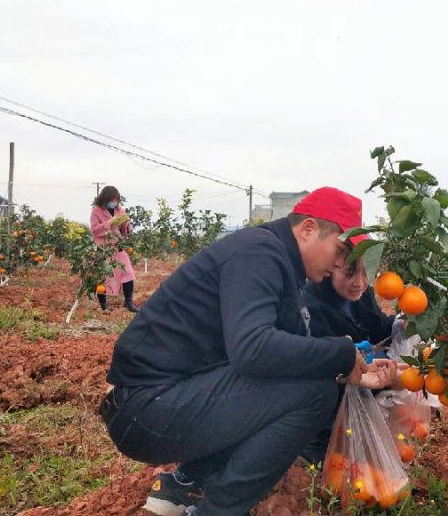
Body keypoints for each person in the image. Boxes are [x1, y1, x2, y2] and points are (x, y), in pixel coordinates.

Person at [99, 187, 395, 516]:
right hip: (143, 409)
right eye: (340, 250)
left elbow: (286, 359)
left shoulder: (282, 265)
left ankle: (186, 483)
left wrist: (354, 373)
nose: (343, 263)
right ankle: (215, 508)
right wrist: (340, 351)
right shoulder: (260, 253)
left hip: (166, 400)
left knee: (313, 384)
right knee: (315, 394)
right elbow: (252, 349)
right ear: (308, 229)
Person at [298, 256, 401, 465]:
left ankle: (355, 435)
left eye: (366, 273)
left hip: (361, 371)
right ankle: (318, 446)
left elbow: (378, 327)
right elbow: (319, 363)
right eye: (349, 273)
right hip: (327, 386)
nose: (359, 282)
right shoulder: (311, 303)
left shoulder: (362, 294)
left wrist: (401, 323)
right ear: (331, 268)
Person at [90, 186, 139, 312]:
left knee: (127, 272)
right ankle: (103, 306)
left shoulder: (118, 209)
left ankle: (129, 303)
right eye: (112, 200)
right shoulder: (96, 211)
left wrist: (125, 222)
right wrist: (109, 223)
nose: (115, 203)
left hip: (117, 246)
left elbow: (124, 231)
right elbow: (95, 230)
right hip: (103, 248)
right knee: (103, 276)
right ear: (105, 199)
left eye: (116, 200)